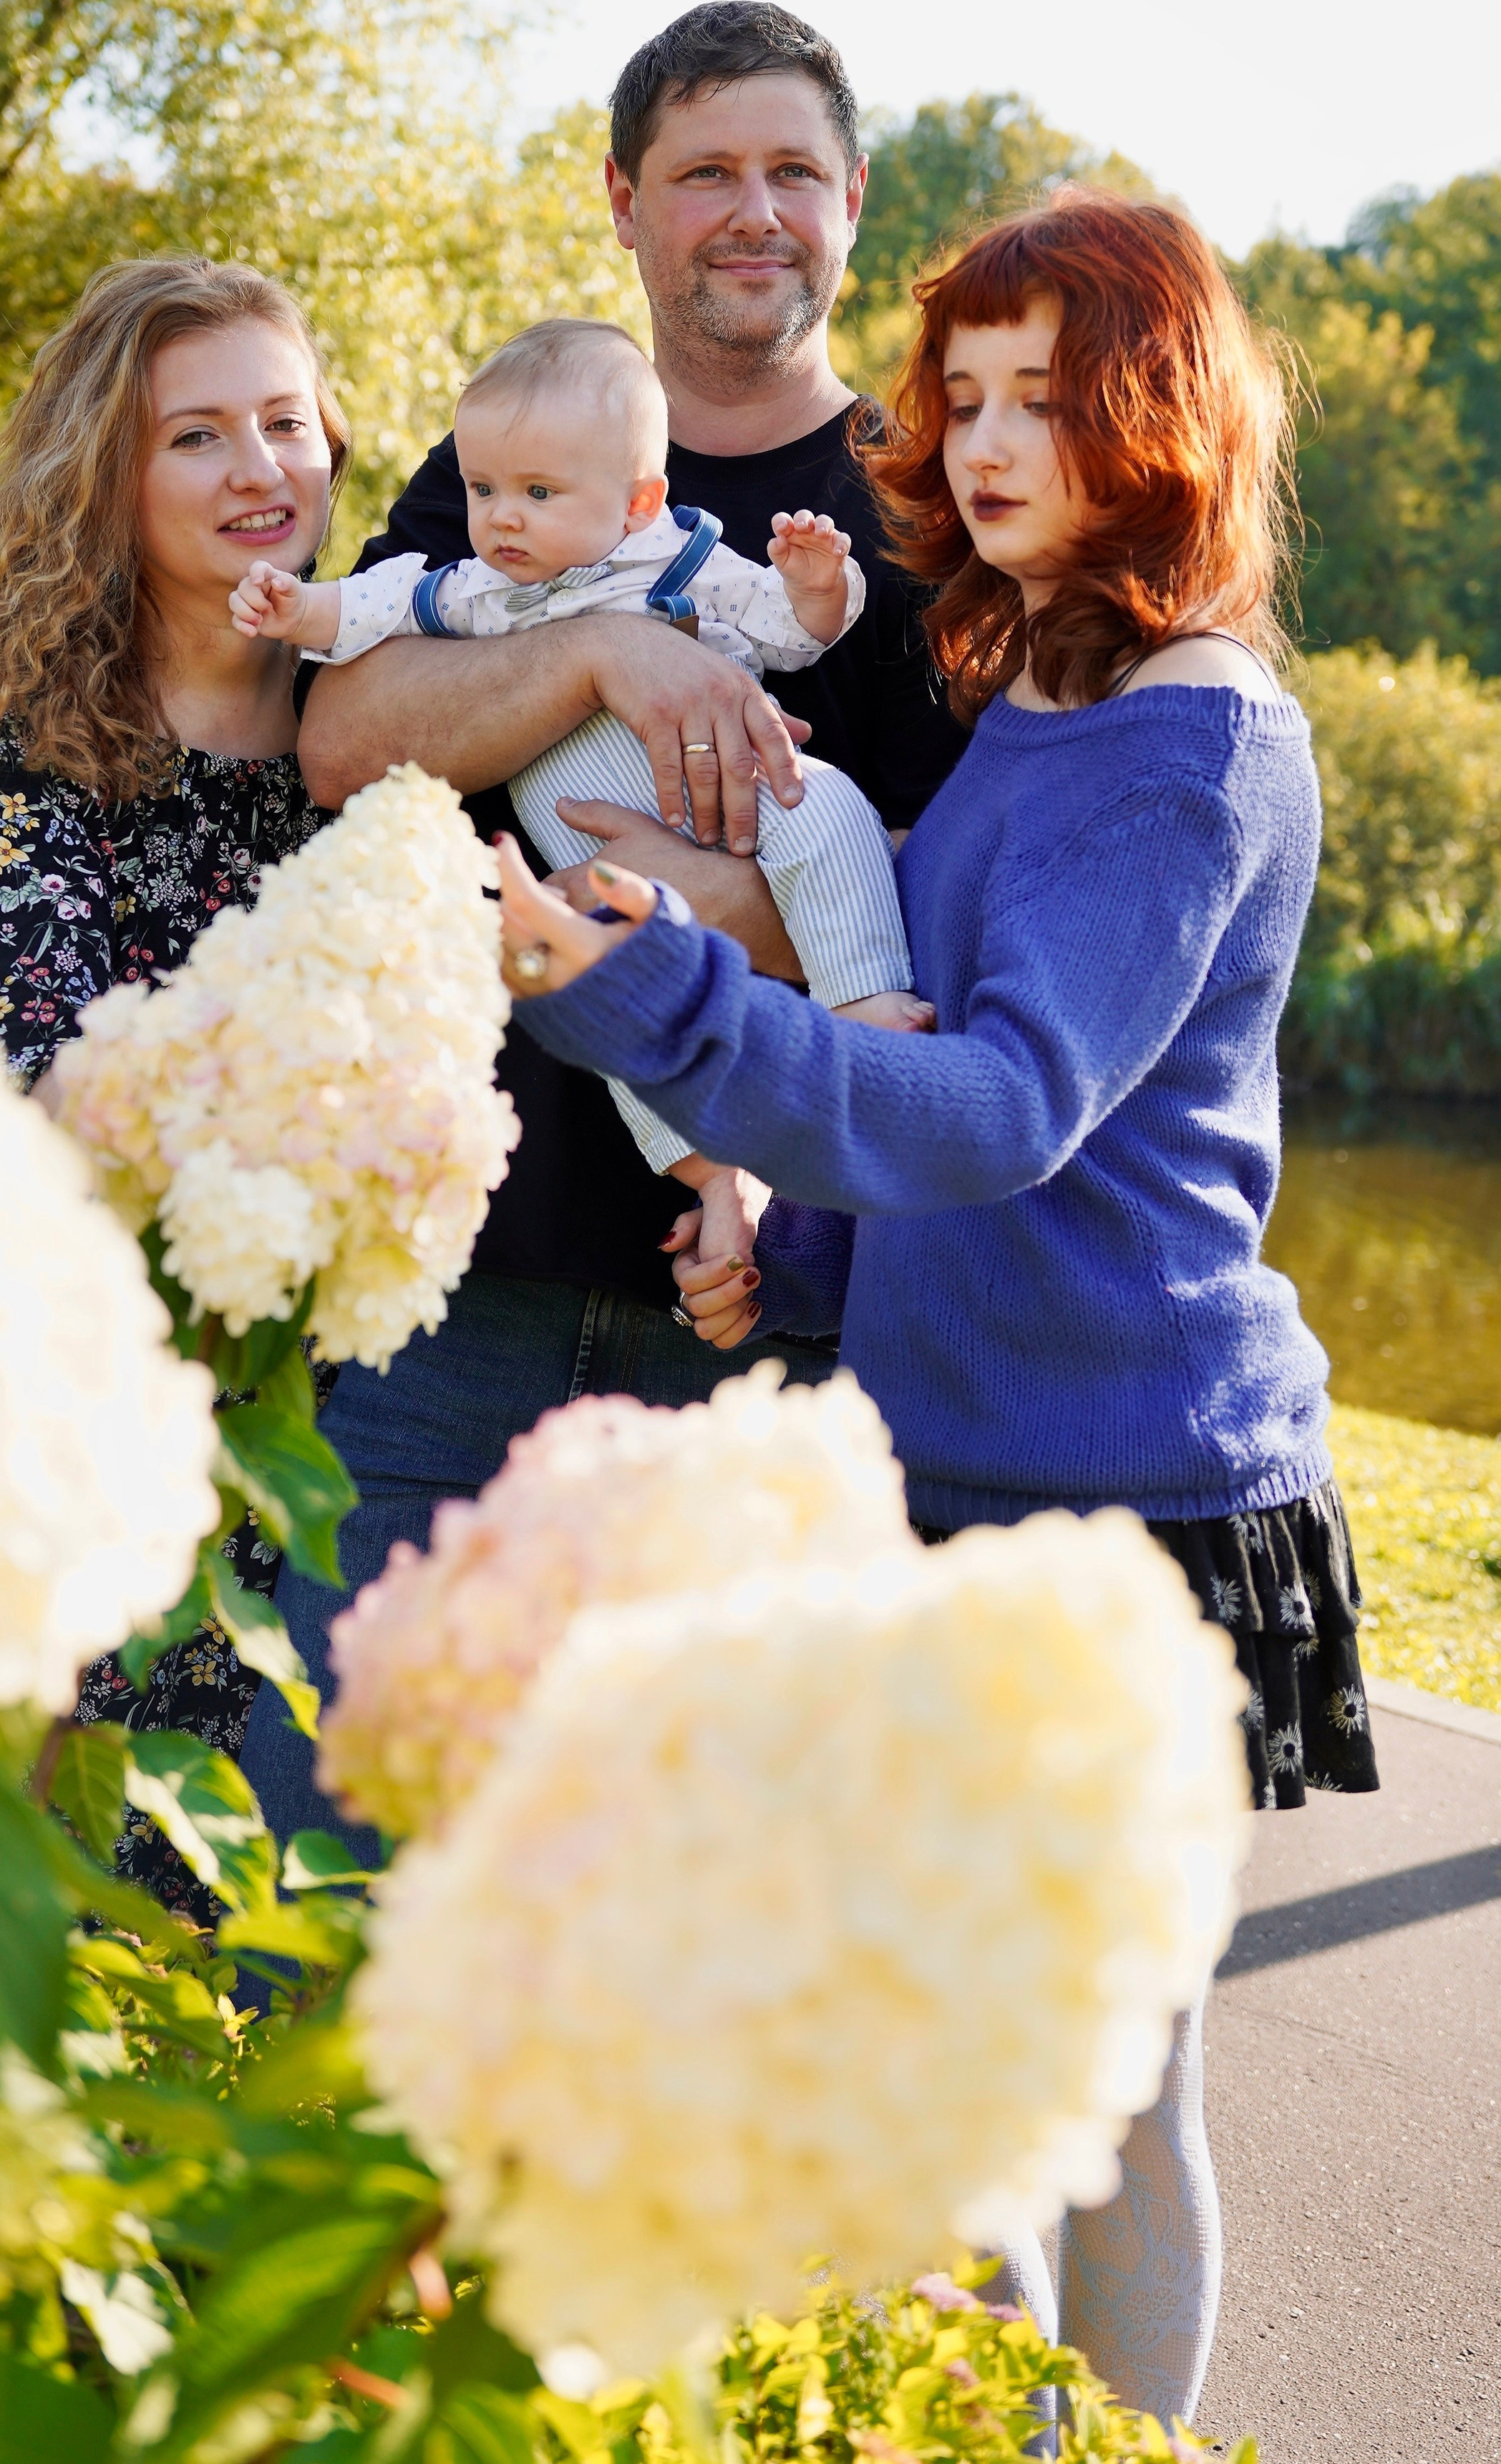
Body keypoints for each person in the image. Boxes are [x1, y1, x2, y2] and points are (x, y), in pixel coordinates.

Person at [495, 188, 1379, 2431]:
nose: (982, 441)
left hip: (1145, 1510)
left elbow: (1001, 1109)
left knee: (1101, 2097)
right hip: (942, 1475)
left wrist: (668, 1001)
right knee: (938, 2088)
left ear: (1154, 410)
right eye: (962, 393)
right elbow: (929, 1070)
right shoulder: (1035, 686)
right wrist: (787, 1248)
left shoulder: (1197, 733)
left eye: (1042, 396)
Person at [241, 0, 968, 1844]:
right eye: (703, 170)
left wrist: (708, 917)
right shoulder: (504, 460)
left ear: (852, 203)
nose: (751, 210)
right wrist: (600, 645)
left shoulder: (919, 503)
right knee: (328, 1831)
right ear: (624, 203)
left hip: (755, 1317)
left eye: (790, 170)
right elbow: (338, 740)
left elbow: (951, 906)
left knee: (675, 1880)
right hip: (457, 1285)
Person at [0, 254, 346, 1917]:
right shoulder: (25, 750)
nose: (258, 470)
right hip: (103, 1403)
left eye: (285, 423)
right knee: (93, 1902)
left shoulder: (379, 709)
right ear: (109, 481)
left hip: (352, 1429)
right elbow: (59, 1083)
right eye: (196, 437)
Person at [228, 311, 927, 1268]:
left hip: (737, 796)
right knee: (605, 992)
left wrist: (815, 587)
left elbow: (782, 633)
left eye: (538, 492)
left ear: (639, 502)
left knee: (831, 809)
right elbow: (376, 605)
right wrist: (298, 608)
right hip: (587, 833)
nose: (503, 515)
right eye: (484, 489)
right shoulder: (477, 587)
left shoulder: (672, 556)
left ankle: (867, 1010)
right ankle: (709, 1167)